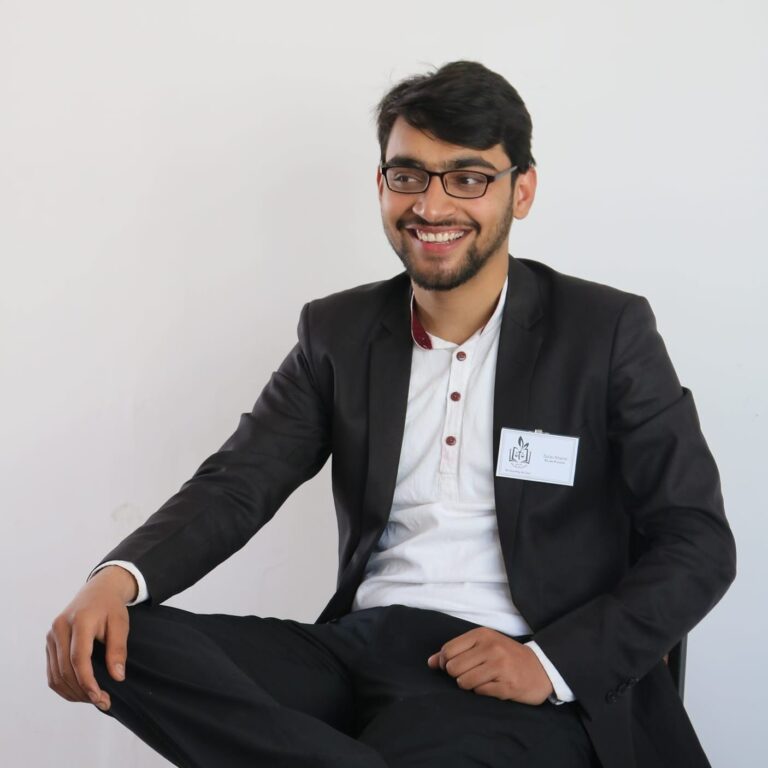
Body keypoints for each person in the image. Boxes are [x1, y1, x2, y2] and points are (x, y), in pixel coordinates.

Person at [46, 60, 736, 768]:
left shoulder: (604, 332)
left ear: (522, 190)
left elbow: (698, 541)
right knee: (115, 642)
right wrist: (114, 579)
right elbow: (238, 483)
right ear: (381, 185)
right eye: (409, 175)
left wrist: (550, 664)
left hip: (504, 666)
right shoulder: (339, 333)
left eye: (467, 178)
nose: (431, 207)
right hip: (356, 648)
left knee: (424, 747)